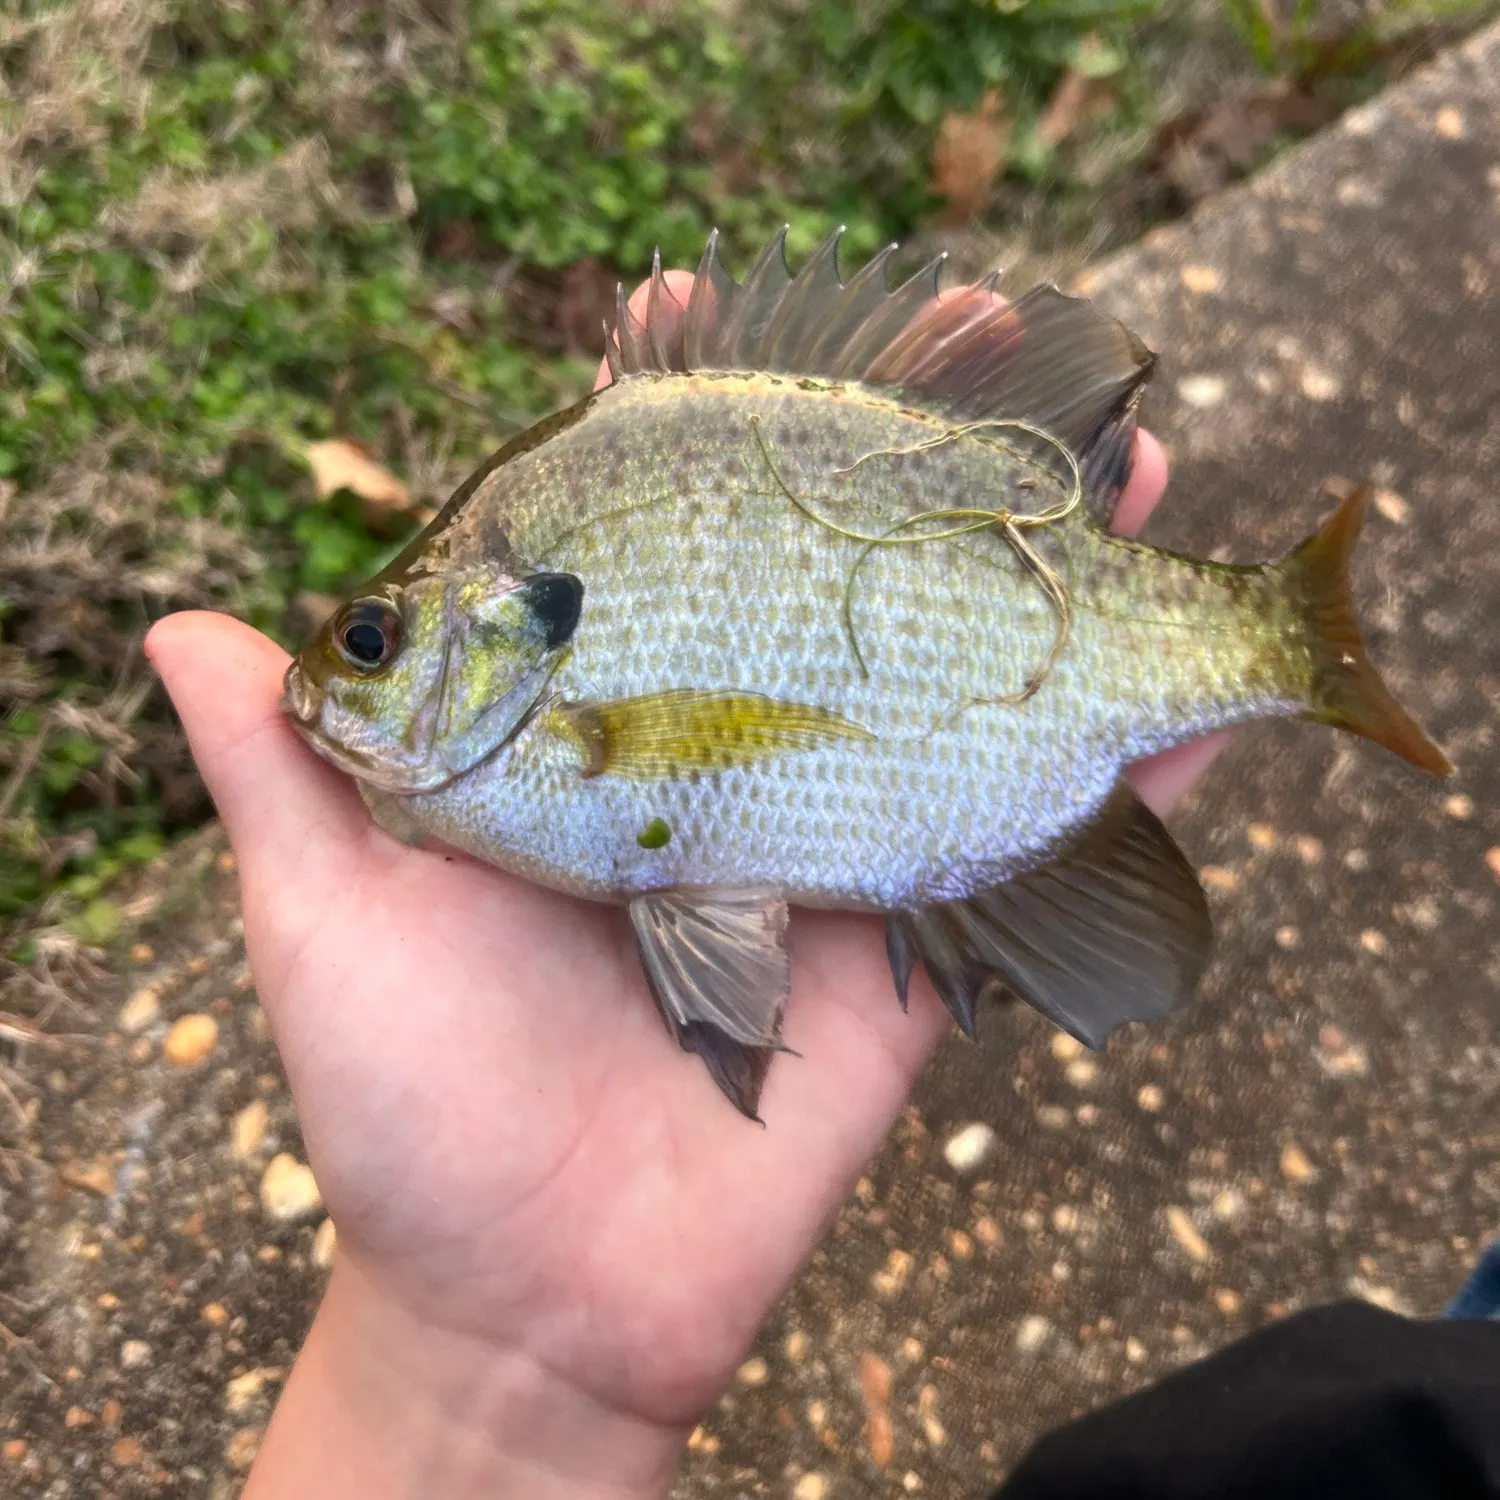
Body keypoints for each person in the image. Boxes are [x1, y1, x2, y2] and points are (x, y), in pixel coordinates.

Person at [145, 275, 1500, 1498]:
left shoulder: (540, 710)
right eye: (369, 644)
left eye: (373, 642)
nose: (343, 678)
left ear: (511, 624)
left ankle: (1288, 634)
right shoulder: (521, 709)